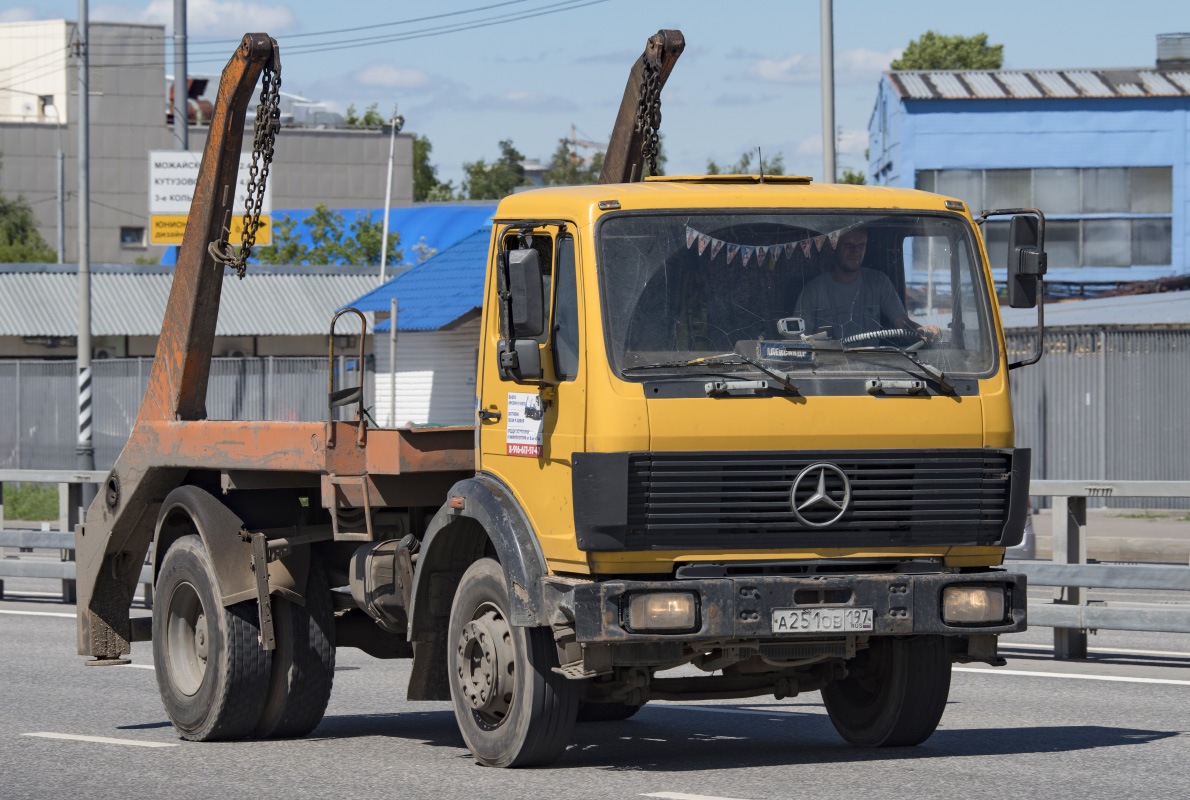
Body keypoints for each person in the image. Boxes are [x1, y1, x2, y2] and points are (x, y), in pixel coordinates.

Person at [794, 227, 942, 343]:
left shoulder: (878, 282)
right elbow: (798, 340)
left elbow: (903, 325)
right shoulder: (813, 291)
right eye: (849, 245)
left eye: (861, 245)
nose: (856, 251)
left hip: (872, 368)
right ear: (834, 248)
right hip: (827, 370)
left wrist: (923, 331)